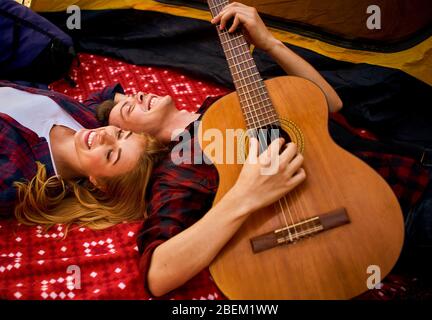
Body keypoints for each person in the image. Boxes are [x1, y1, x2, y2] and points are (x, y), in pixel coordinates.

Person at [95, 3, 342, 296]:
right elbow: (157, 274)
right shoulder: (180, 161)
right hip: (349, 219)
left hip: (371, 180)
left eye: (130, 95)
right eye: (126, 111)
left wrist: (269, 43)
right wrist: (246, 196)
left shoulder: (222, 104)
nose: (135, 95)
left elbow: (329, 105)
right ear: (139, 139)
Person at [0, 81, 165, 230]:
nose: (104, 136)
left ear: (99, 183)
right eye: (120, 134)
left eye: (110, 154)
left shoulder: (14, 177)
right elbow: (102, 97)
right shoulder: (90, 122)